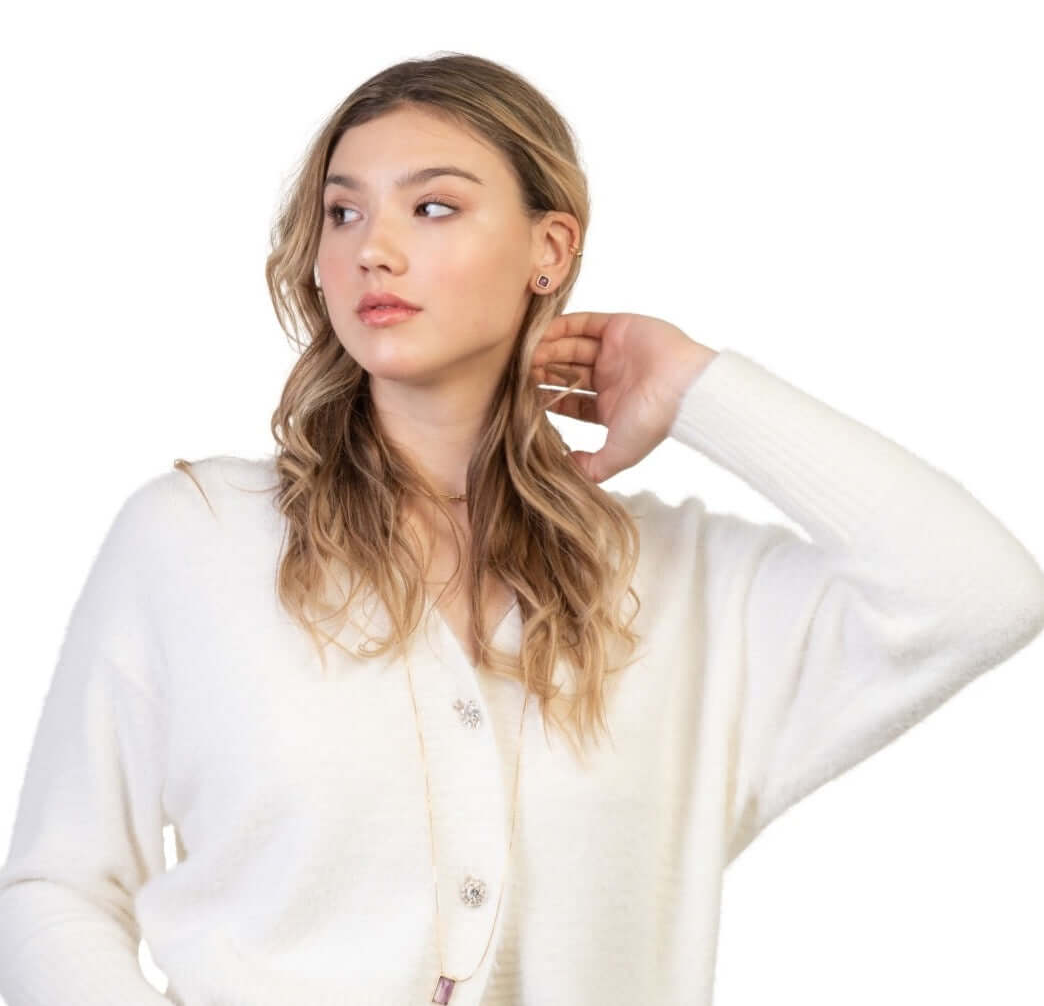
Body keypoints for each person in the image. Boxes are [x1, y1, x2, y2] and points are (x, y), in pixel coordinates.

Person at [1, 51, 1042, 1006]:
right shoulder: (197, 539)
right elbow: (58, 886)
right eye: (343, 213)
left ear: (550, 248)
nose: (373, 251)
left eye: (434, 207)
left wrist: (698, 387)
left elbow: (981, 594)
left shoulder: (679, 587)